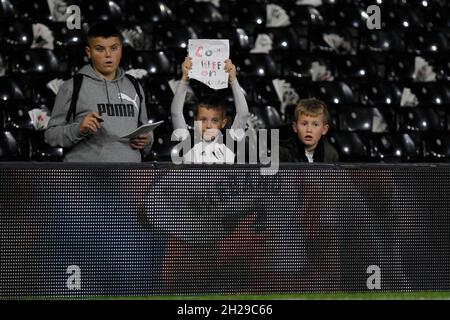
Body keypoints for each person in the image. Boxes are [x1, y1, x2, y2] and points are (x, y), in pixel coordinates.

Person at [44, 22, 152, 162]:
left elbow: (145, 130)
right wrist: (79, 129)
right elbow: (51, 136)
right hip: (87, 179)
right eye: (100, 49)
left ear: (121, 49)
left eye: (114, 48)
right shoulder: (72, 87)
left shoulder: (134, 86)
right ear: (89, 52)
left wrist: (147, 139)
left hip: (128, 177)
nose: (108, 55)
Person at [171, 56, 249, 164]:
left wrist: (233, 80)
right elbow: (176, 113)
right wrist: (185, 78)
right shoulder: (188, 143)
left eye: (215, 120)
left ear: (223, 123)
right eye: (203, 120)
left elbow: (243, 115)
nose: (208, 126)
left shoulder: (229, 144)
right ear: (195, 121)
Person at [280, 98, 339, 162]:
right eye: (304, 124)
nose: (309, 130)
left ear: (324, 129)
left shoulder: (331, 154)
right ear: (295, 127)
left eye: (315, 125)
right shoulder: (282, 153)